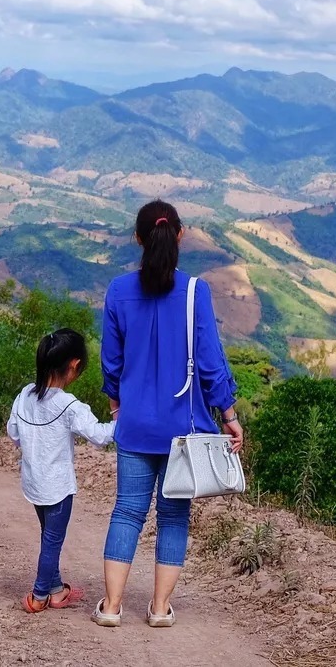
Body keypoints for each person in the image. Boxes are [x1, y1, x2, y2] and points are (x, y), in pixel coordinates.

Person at [92, 199, 243, 629]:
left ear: (138, 239)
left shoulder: (118, 290)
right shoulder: (196, 291)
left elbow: (112, 361)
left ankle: (112, 606)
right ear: (180, 235)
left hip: (135, 423)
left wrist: (116, 402)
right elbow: (211, 362)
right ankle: (159, 609)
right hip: (183, 428)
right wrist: (228, 415)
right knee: (173, 517)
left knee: (127, 511)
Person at [7, 328, 116, 613]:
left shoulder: (25, 395)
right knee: (52, 541)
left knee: (48, 536)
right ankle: (39, 595)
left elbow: (13, 433)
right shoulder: (69, 406)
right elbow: (101, 436)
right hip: (58, 486)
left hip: (33, 482)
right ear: (74, 365)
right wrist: (122, 418)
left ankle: (56, 590)